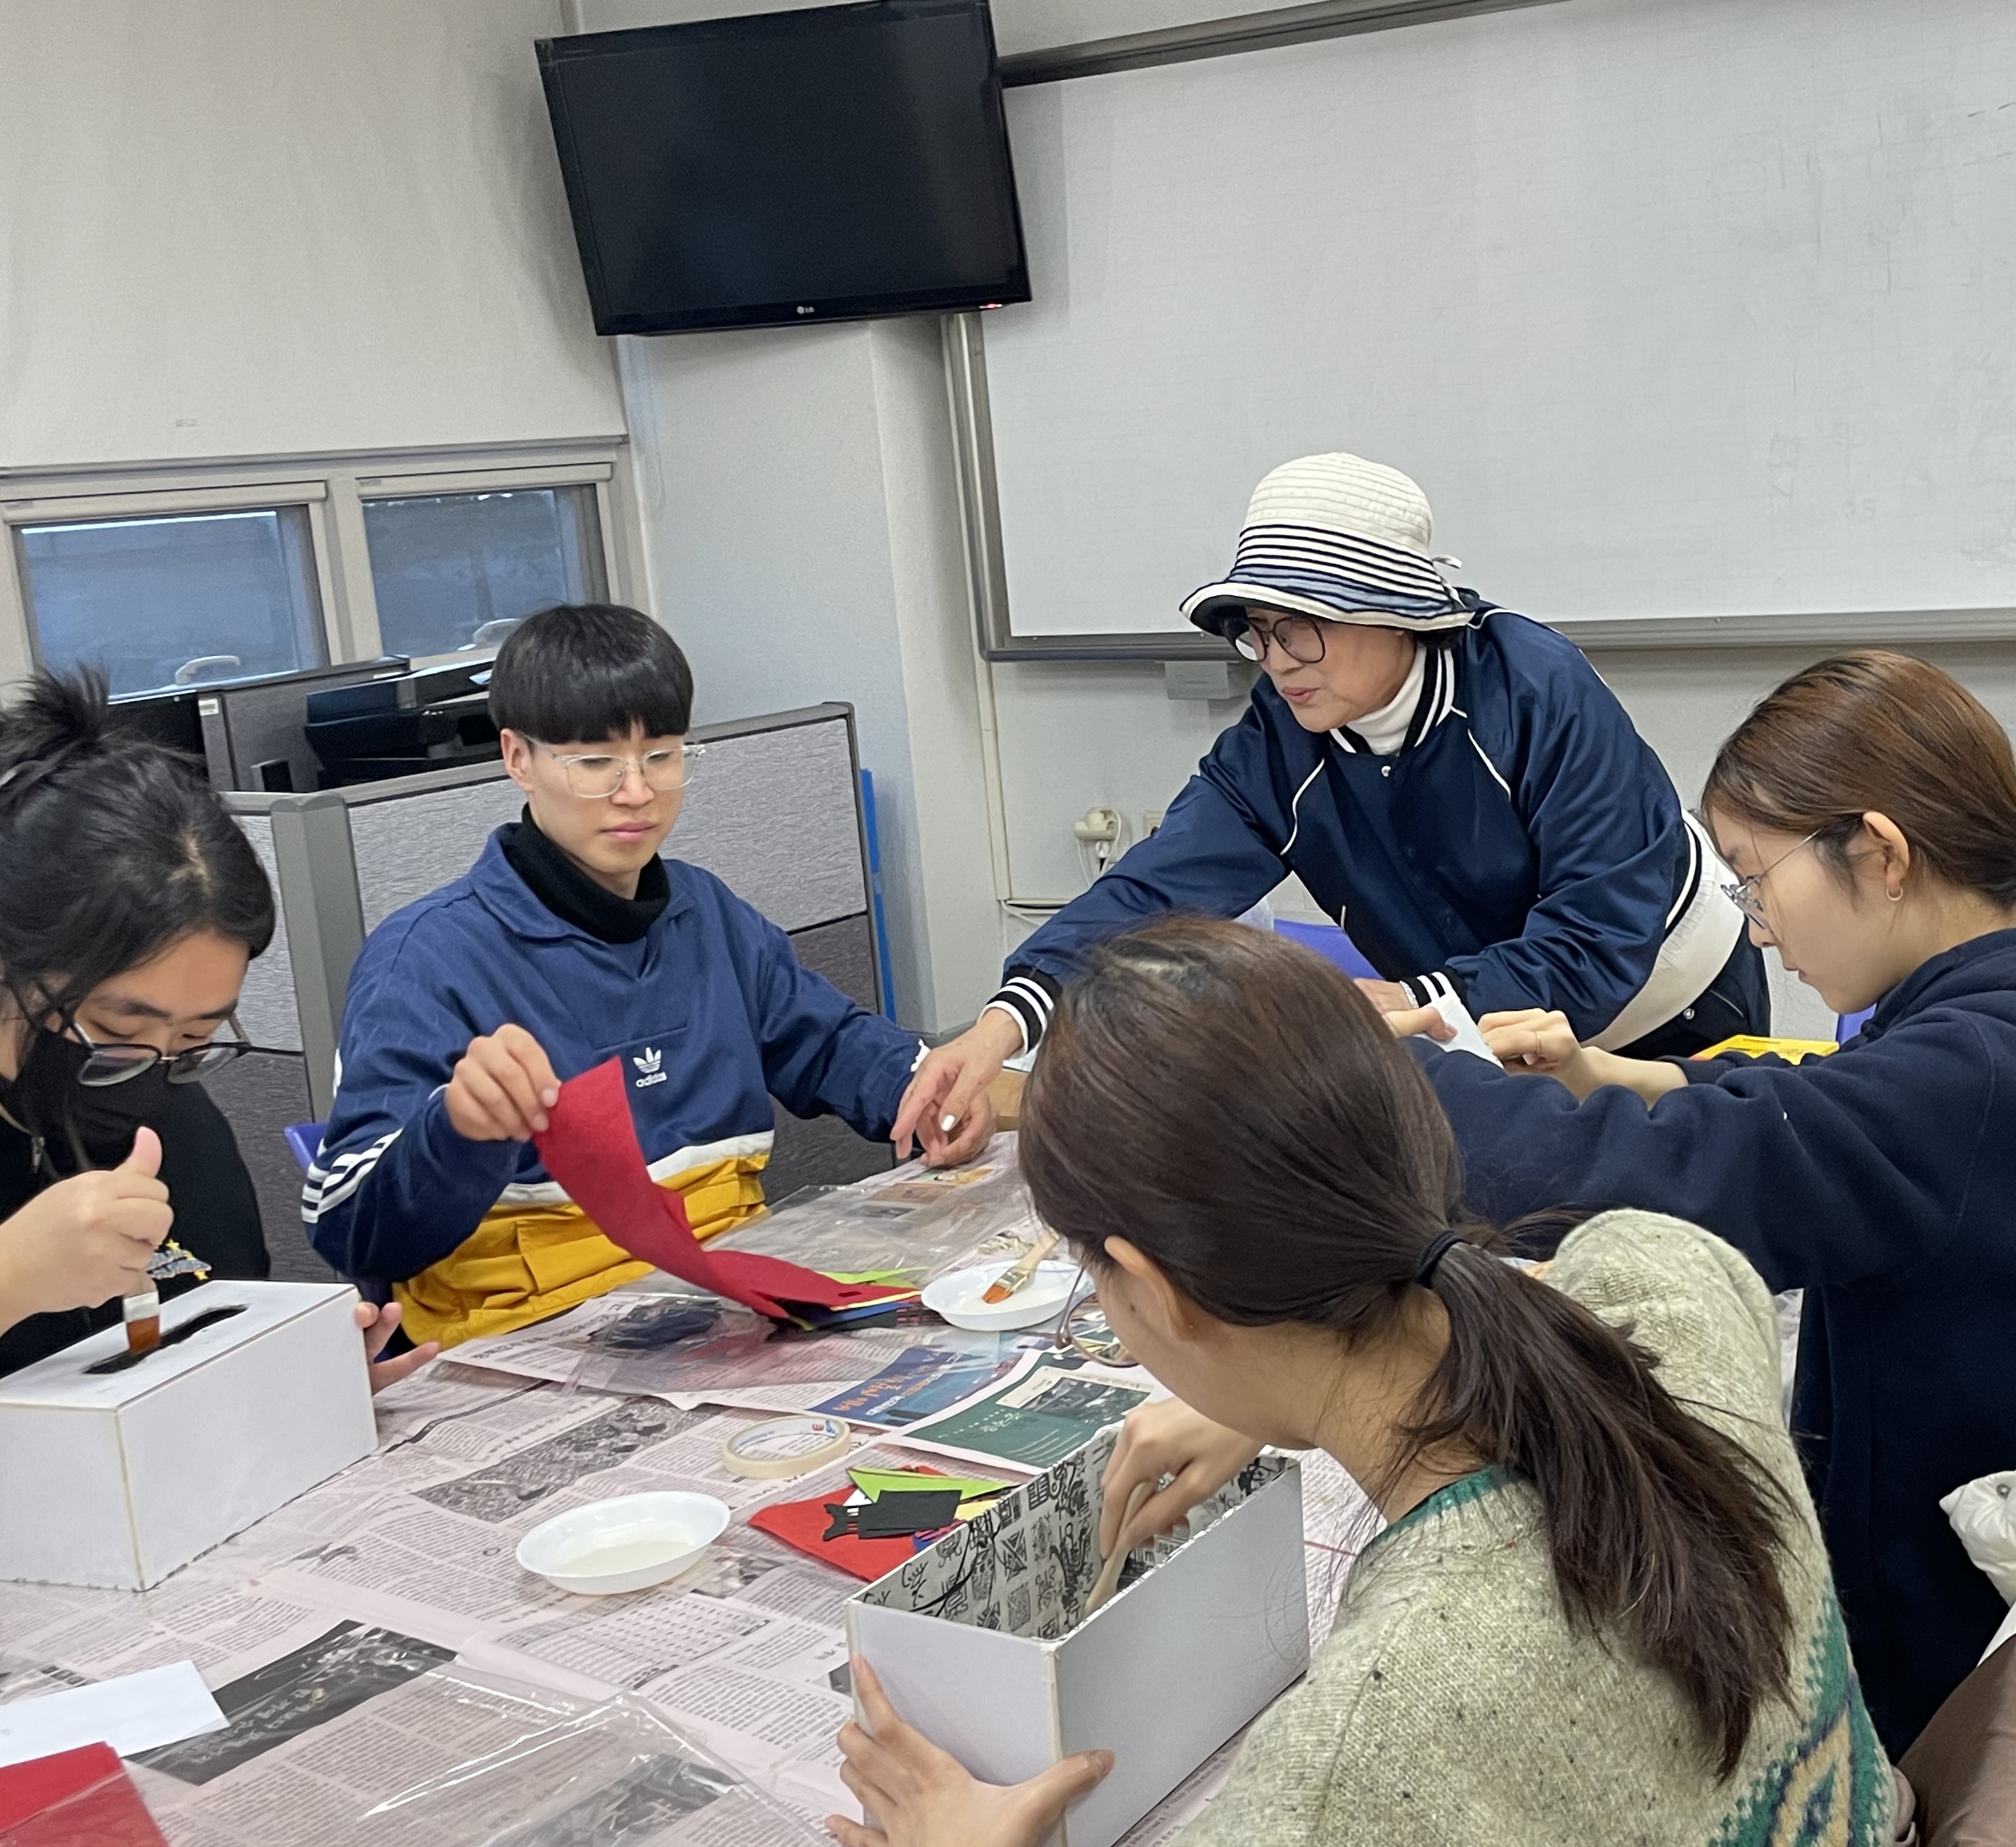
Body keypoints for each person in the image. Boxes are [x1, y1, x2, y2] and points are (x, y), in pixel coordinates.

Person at [826, 919, 1900, 1847]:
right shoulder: (1679, 1282)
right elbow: (1563, 1286)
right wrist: (1274, 1386)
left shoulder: (1338, 1794)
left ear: (1153, 1290)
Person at [1398, 649, 2016, 1753]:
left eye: (1753, 879)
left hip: (1979, 1661)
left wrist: (1366, 1070)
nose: (1756, 926)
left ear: (1878, 853)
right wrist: (1624, 1076)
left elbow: (1662, 1177)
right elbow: (1832, 1102)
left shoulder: (1973, 1080)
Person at [894, 452, 1765, 1153]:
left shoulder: (1536, 690)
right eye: (1259, 631)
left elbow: (1596, 938)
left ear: (1398, 612)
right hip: (1468, 1020)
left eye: (1303, 626)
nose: (1278, 660)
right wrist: (1007, 1021)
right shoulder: (1281, 738)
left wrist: (1409, 1001)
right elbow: (1150, 891)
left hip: (1667, 1007)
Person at [303, 606, 988, 1349]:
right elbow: (351, 1232)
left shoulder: (707, 914)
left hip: (727, 1309)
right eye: (596, 763)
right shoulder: (425, 958)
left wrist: (919, 1091)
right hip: (526, 1340)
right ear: (518, 757)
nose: (636, 792)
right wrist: (456, 1131)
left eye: (660, 756)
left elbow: (824, 1041)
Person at [0, 672, 429, 1384]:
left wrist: (302, 1383)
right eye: (116, 1026)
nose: (150, 1068)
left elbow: (208, 1337)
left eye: (195, 1039)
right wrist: (12, 1277)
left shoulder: (176, 1123)